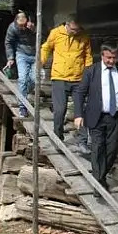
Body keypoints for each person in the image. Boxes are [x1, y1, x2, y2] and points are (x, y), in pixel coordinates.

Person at [73, 42, 118, 195]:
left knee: (112, 149)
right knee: (98, 148)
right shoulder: (91, 71)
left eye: (114, 58)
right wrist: (78, 114)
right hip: (96, 116)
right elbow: (80, 93)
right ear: (102, 56)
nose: (111, 61)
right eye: (108, 58)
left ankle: (100, 177)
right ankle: (98, 184)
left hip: (116, 117)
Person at [40, 15, 93, 154]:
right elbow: (46, 48)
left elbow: (88, 57)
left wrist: (88, 74)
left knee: (80, 111)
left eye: (78, 30)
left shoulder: (84, 36)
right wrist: (41, 61)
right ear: (67, 25)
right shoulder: (56, 33)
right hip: (59, 78)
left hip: (78, 79)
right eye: (73, 30)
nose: (76, 32)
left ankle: (82, 142)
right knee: (59, 110)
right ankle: (58, 138)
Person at [4, 10, 36, 117]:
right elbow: (8, 42)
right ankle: (22, 106)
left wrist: (35, 29)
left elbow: (46, 35)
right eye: (20, 26)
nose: (22, 28)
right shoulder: (12, 28)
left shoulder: (34, 23)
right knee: (22, 79)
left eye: (24, 25)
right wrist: (10, 58)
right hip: (21, 53)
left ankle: (22, 93)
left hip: (36, 54)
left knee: (34, 80)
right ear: (16, 22)